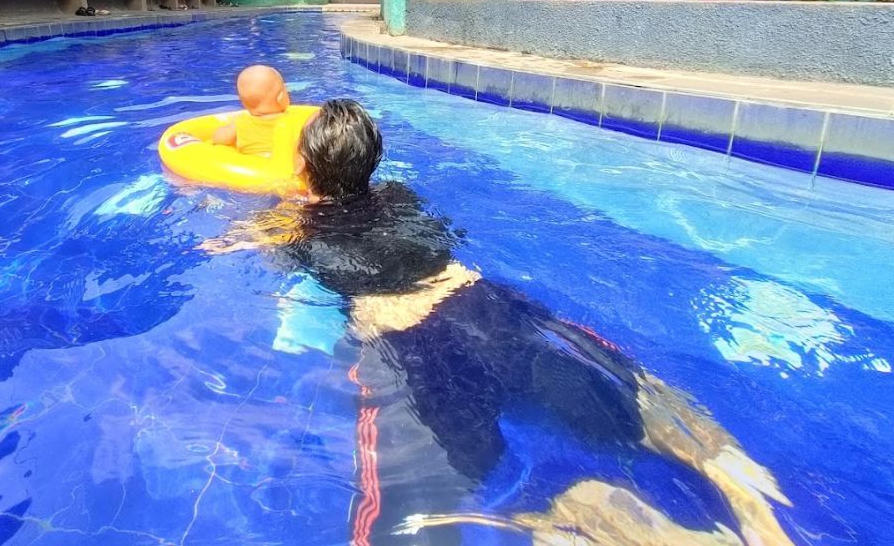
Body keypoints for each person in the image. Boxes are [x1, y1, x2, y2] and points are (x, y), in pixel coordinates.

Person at [206, 99, 796, 546]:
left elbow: (229, 249)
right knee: (631, 394)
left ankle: (573, 506)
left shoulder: (290, 225)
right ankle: (735, 473)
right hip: (493, 306)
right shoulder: (402, 195)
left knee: (401, 520)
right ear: (374, 162)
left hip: (413, 347)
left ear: (305, 169)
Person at [212, 65, 291, 157]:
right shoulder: (292, 119)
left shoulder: (240, 122)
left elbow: (219, 139)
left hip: (252, 166)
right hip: (283, 165)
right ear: (280, 98)